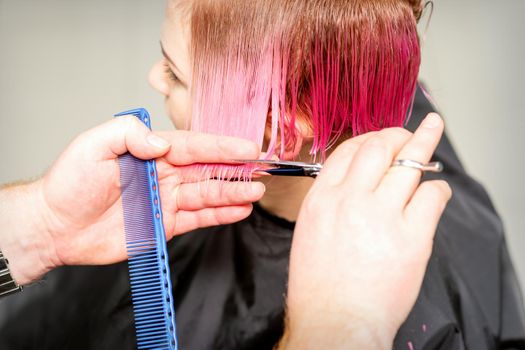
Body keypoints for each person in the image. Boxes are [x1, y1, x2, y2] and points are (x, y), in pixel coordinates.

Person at [1, 1, 524, 350]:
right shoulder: (368, 76)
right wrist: (42, 224)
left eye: (177, 73)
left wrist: (332, 331)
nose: (154, 77)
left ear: (281, 127)